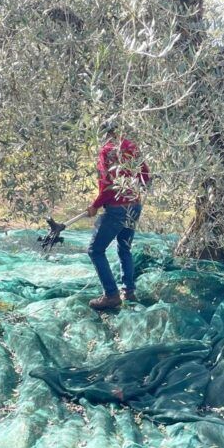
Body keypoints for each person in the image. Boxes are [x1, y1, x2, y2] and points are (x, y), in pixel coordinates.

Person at [86, 119, 150, 310]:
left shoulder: (107, 151)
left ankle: (111, 295)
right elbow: (145, 176)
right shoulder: (131, 147)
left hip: (116, 209)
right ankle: (129, 291)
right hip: (134, 206)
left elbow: (108, 187)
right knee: (124, 248)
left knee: (95, 250)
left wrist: (95, 205)